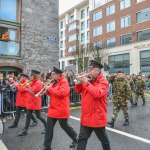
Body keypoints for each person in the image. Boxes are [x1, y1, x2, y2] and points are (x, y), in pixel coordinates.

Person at [74, 60, 111, 150]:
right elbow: (77, 90)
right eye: (89, 69)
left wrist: (85, 82)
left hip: (97, 117)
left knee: (103, 139)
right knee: (82, 139)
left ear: (98, 71)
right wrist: (79, 82)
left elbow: (97, 93)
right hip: (86, 116)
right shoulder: (88, 80)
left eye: (91, 69)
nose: (89, 71)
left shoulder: (103, 82)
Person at [39, 66, 77, 150]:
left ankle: (75, 138)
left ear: (59, 75)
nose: (53, 75)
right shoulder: (54, 82)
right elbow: (50, 94)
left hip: (61, 109)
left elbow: (62, 93)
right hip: (53, 109)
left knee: (64, 126)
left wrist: (50, 89)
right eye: (53, 74)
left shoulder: (64, 82)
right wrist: (47, 89)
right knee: (49, 128)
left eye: (54, 74)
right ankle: (47, 146)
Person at [18, 70, 47, 136]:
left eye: (32, 75)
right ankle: (25, 131)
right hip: (31, 102)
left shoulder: (38, 83)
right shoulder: (33, 82)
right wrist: (27, 85)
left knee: (39, 116)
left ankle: (47, 126)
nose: (31, 76)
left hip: (35, 102)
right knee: (28, 117)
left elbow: (32, 90)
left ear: (36, 75)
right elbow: (26, 89)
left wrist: (28, 85)